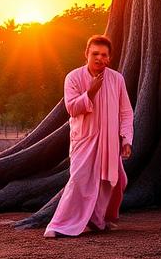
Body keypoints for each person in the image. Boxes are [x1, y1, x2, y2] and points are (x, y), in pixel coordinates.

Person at [44, 34, 134, 238]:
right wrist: (90, 92)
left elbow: (126, 112)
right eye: (95, 54)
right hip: (84, 139)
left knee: (114, 180)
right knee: (79, 180)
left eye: (104, 55)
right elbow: (71, 108)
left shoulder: (117, 79)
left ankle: (98, 221)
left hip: (110, 142)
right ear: (86, 54)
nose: (99, 58)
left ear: (109, 58)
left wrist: (126, 139)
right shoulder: (73, 78)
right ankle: (60, 224)